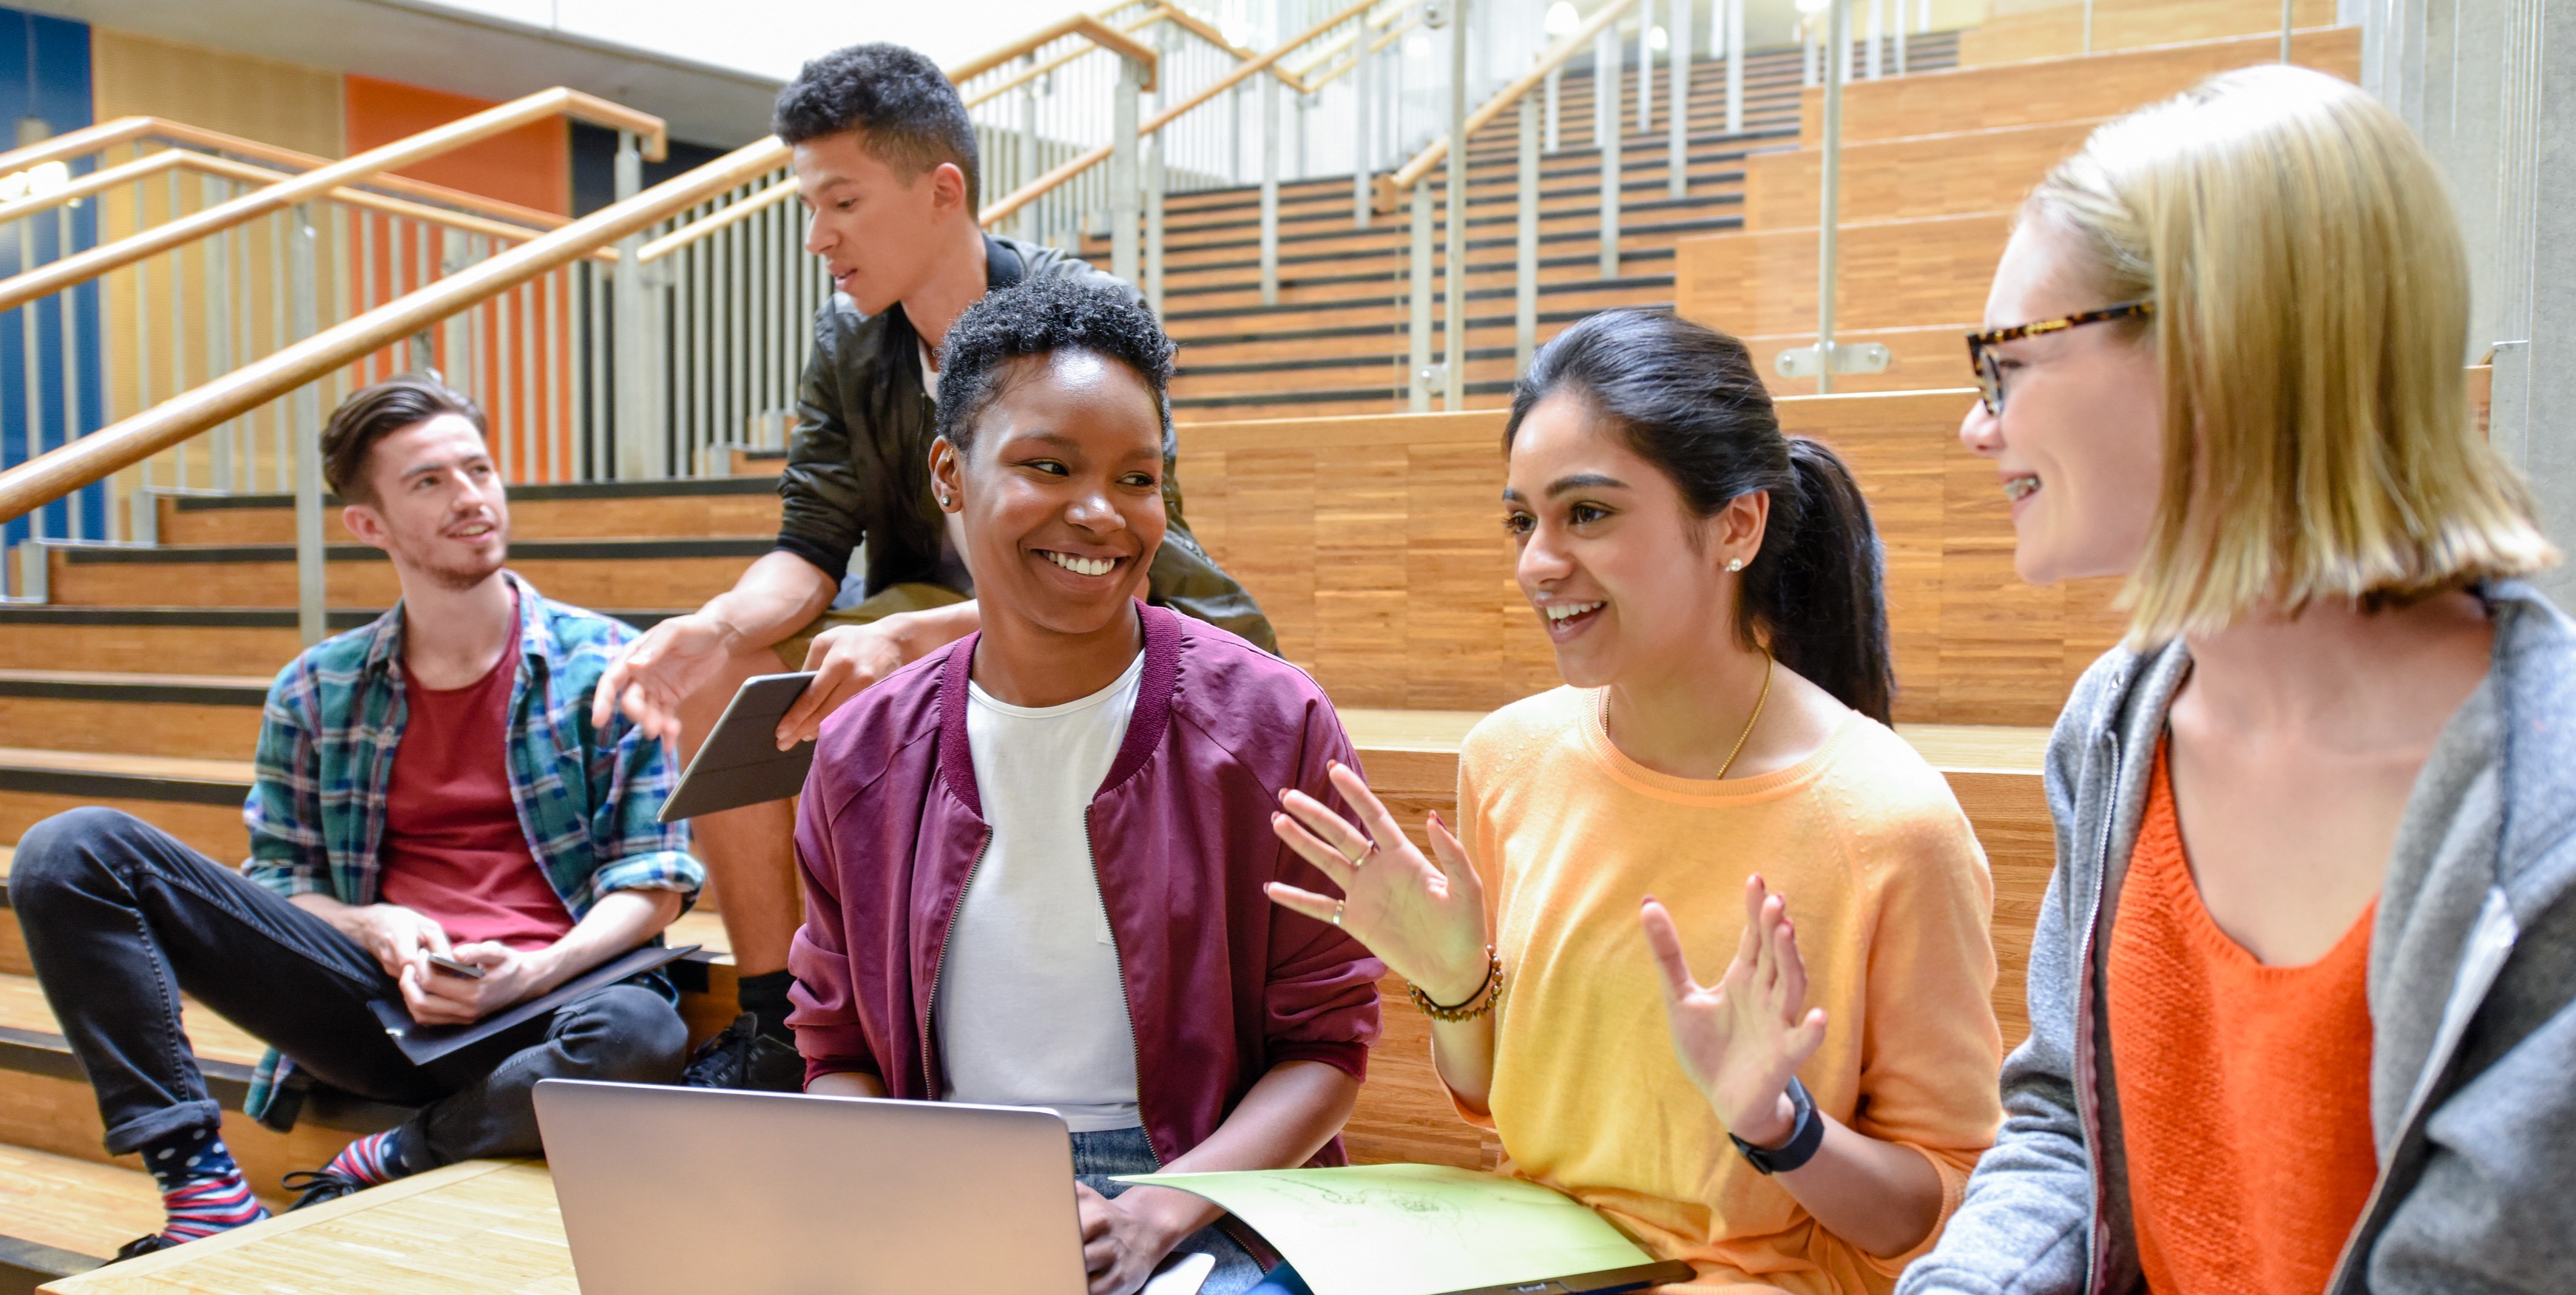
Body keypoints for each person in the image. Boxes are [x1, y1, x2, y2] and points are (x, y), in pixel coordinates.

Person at [1894, 66, 2576, 1294]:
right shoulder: (2114, 728)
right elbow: (2064, 1130)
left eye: (2007, 360)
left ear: (2219, 353)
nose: (1979, 424)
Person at [1266, 308, 2007, 1293]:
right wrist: (1455, 987)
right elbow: (1489, 1099)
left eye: (1588, 513)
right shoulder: (1506, 757)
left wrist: (1778, 1127)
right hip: (1524, 1268)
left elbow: (1934, 1204)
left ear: (1734, 524)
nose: (1537, 560)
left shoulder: (1888, 821)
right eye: (1523, 518)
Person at [591, 43, 1271, 1069]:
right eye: (808, 207)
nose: (818, 236)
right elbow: (811, 541)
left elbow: (1133, 544)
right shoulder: (848, 337)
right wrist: (718, 626)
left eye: (843, 202)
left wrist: (915, 630)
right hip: (917, 607)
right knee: (727, 666)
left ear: (941, 189)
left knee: (908, 642)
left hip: (1095, 605)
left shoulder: (1075, 317)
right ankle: (778, 1017)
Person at [7, 376, 700, 1260]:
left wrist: (529, 973)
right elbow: (282, 880)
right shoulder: (318, 685)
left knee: (642, 1032)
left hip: (551, 1002)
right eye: (428, 482)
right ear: (367, 524)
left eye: (478, 469)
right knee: (69, 849)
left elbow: (653, 878)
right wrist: (371, 923)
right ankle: (200, 1182)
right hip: (375, 1005)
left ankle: (394, 1152)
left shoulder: (606, 662)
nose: (470, 498)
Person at [784, 274, 1380, 1295]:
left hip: (1208, 1190)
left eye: (1137, 478)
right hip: (948, 1178)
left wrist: (1154, 1210)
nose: (1100, 513)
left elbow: (1326, 1043)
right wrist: (925, 1190)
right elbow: (836, 1046)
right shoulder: (862, 751)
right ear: (949, 472)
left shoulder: (1272, 723)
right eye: (1047, 465)